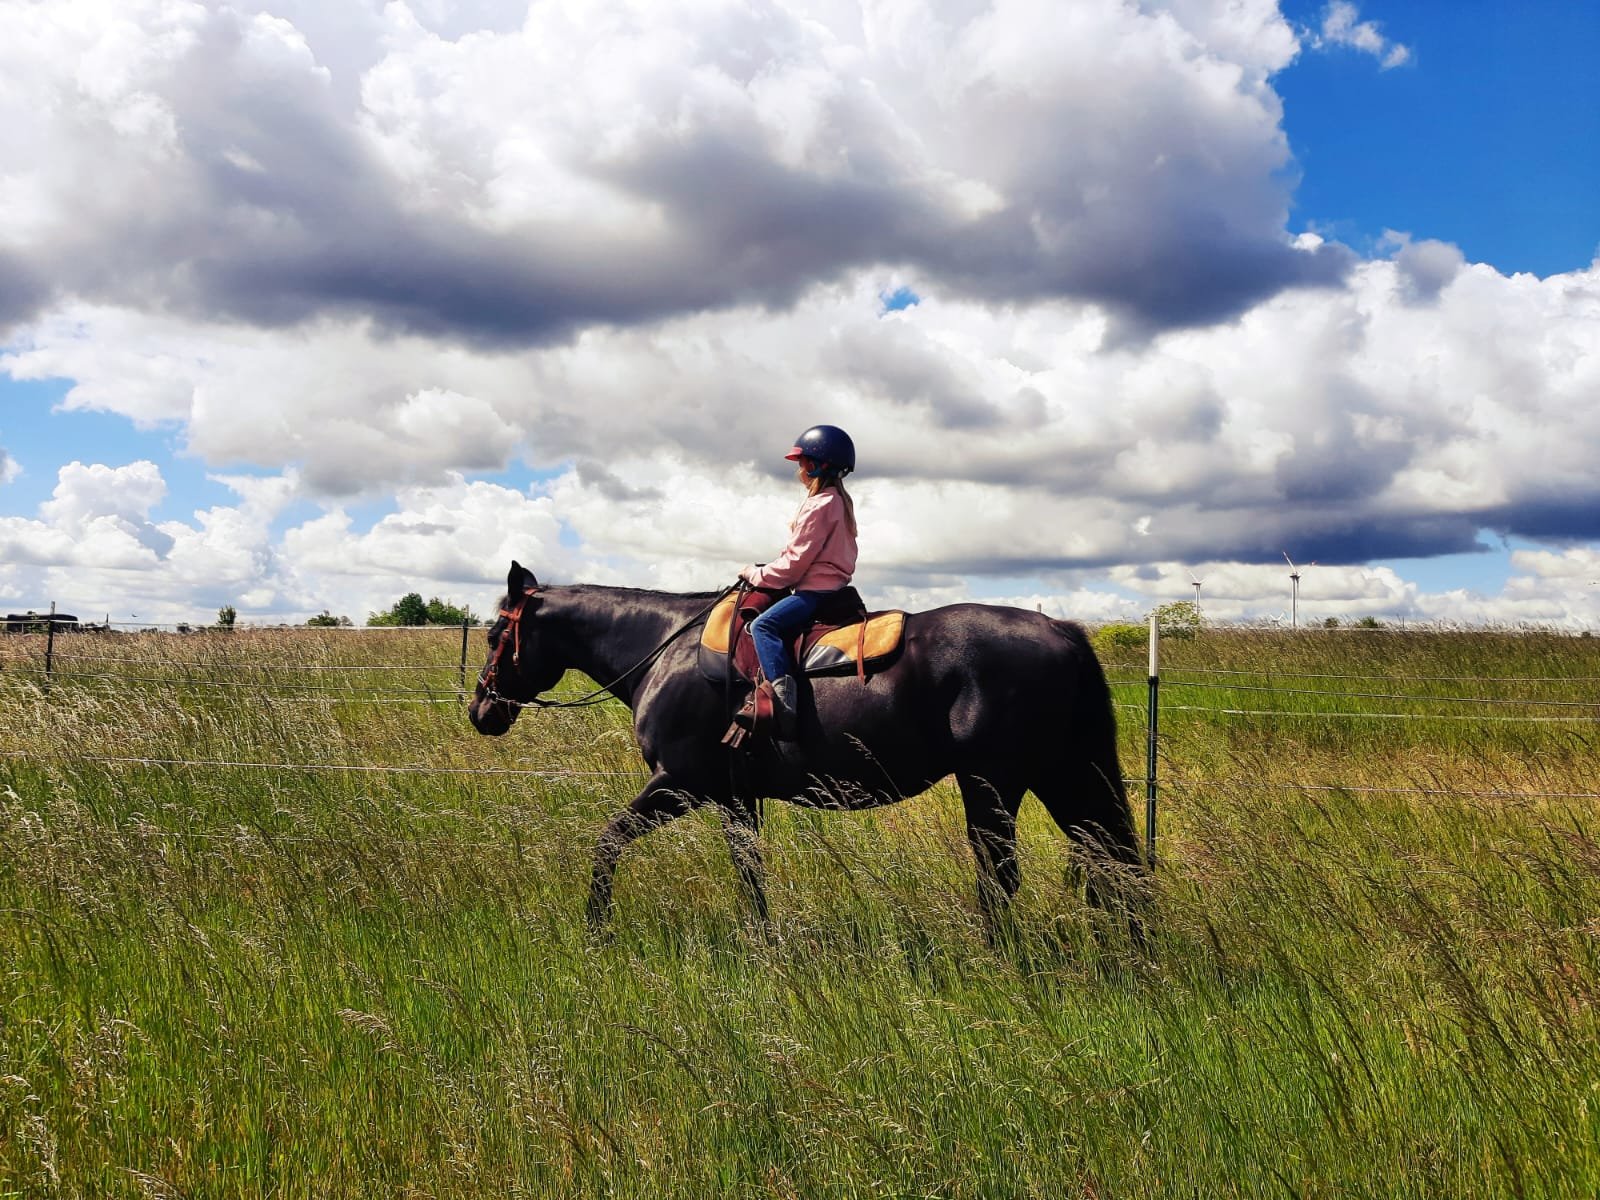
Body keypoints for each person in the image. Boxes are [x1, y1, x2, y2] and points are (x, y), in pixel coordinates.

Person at [739, 424, 859, 733]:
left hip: (814, 593)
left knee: (762, 626)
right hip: (835, 589)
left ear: (818, 465)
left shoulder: (819, 505)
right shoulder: (841, 502)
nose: (799, 470)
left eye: (803, 462)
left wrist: (755, 573)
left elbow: (793, 565)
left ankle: (783, 701)